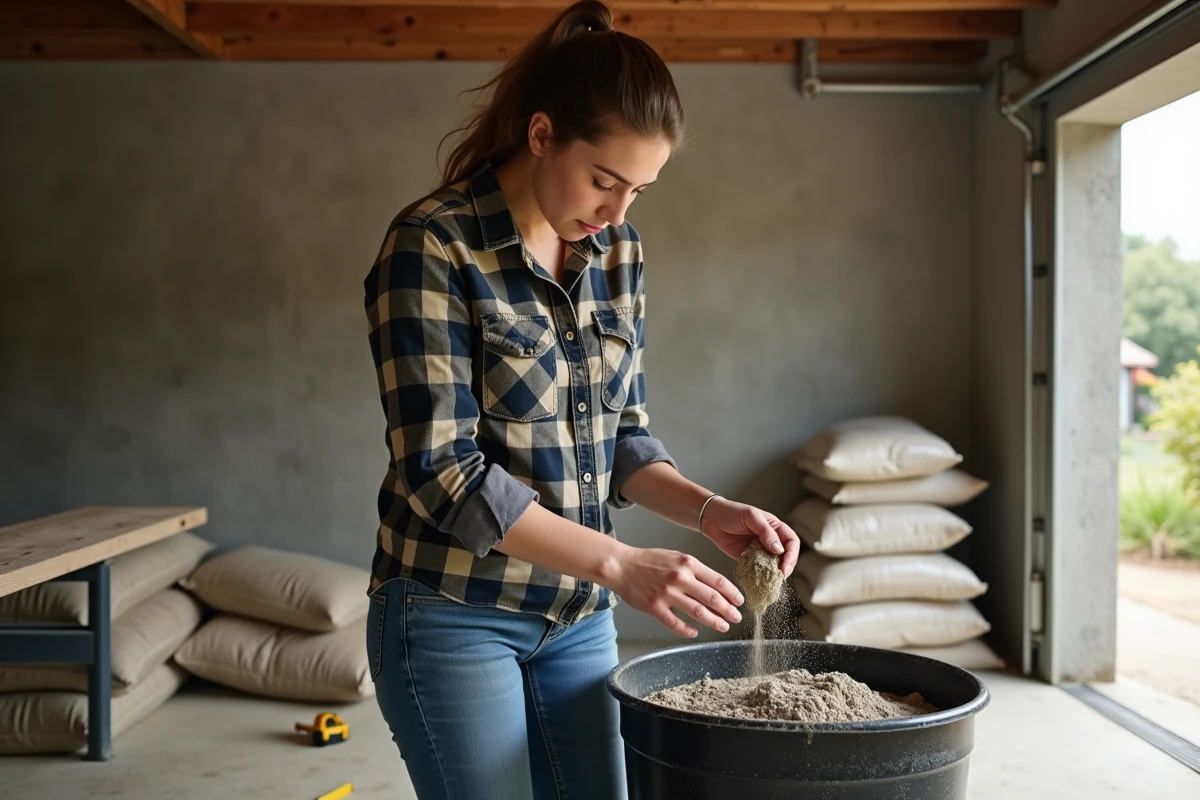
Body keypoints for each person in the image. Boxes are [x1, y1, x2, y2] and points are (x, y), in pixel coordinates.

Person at [362, 2, 800, 798]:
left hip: (576, 618)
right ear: (540, 135)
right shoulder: (432, 245)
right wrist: (623, 564)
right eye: (604, 180)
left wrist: (709, 513)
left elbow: (622, 439)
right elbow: (443, 474)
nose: (616, 213)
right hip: (453, 611)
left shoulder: (618, 254)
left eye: (639, 189)